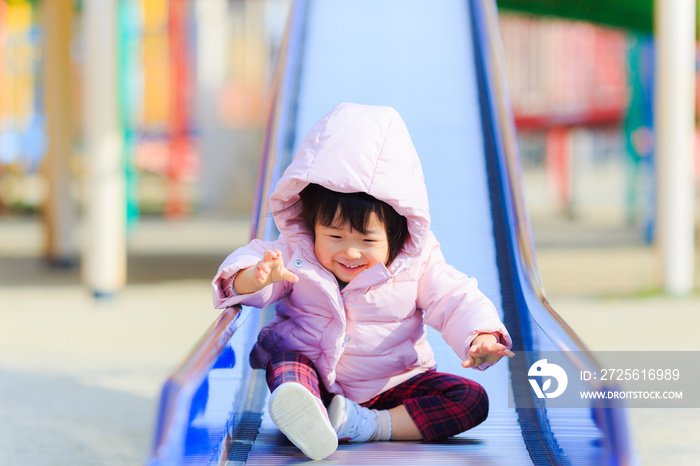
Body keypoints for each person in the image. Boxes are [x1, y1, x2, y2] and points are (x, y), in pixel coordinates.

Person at [212, 103, 514, 460]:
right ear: (312, 224)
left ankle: (367, 424)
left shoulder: (417, 263)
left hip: (392, 385)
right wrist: (255, 276)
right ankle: (308, 414)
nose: (350, 253)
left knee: (470, 400)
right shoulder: (295, 252)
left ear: (398, 232)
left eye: (367, 241)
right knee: (286, 363)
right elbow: (248, 268)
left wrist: (480, 335)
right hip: (316, 381)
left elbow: (455, 297)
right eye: (335, 237)